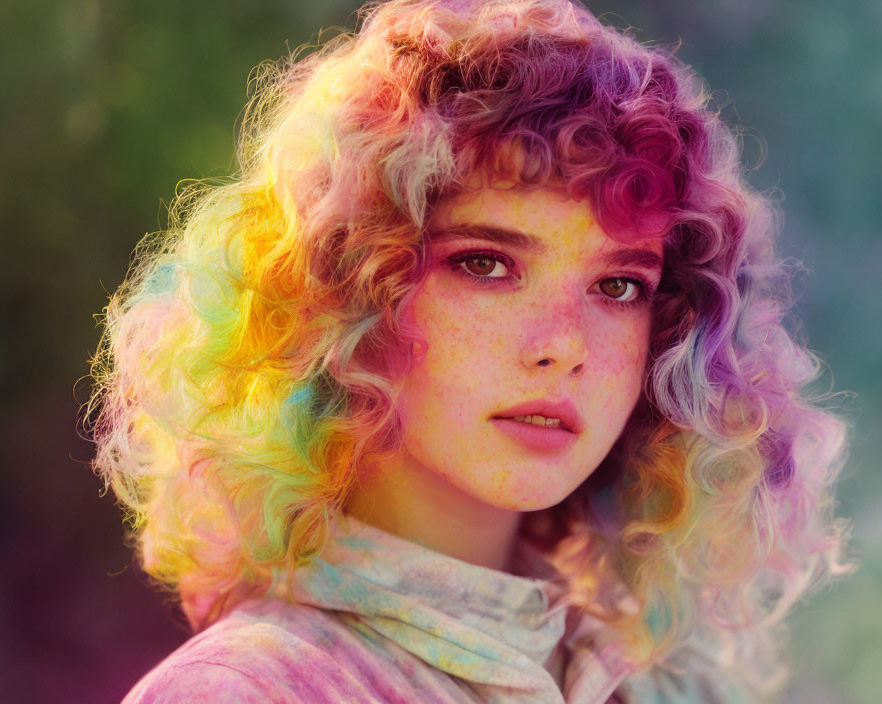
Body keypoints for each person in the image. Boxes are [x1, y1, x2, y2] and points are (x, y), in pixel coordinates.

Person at [85, 0, 853, 701]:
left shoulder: (666, 683)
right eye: (486, 263)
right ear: (346, 293)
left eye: (619, 286)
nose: (562, 346)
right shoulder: (250, 692)